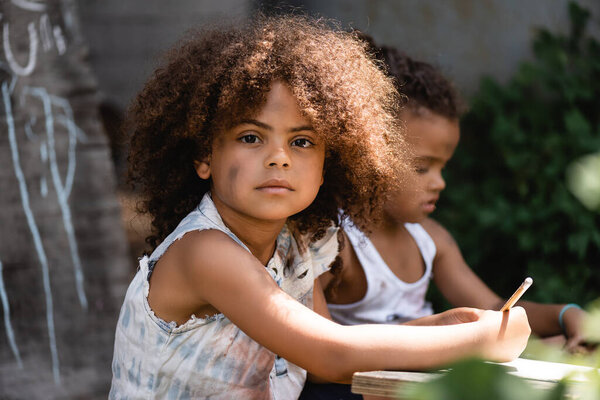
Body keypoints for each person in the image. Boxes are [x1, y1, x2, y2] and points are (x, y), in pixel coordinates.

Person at [109, 16, 531, 399]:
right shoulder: (204, 252)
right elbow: (330, 356)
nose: (279, 158)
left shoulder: (296, 247)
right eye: (251, 137)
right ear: (204, 156)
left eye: (302, 142)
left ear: (331, 162)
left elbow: (324, 345)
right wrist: (478, 343)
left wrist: (447, 325)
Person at [319, 38, 588, 352]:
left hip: (431, 374)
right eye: (423, 168)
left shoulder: (431, 241)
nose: (440, 183)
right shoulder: (335, 246)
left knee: (563, 348)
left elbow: (494, 307)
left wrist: (565, 314)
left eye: (442, 168)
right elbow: (318, 349)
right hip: (368, 386)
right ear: (366, 154)